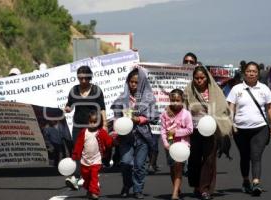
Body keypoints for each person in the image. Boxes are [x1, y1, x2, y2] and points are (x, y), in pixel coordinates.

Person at [226, 61, 271, 197]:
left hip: (260, 128)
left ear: (258, 73)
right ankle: (245, 181)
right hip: (240, 129)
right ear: (244, 72)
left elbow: (270, 108)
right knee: (244, 156)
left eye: (254, 71)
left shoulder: (264, 88)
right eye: (249, 71)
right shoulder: (237, 89)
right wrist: (231, 124)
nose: (251, 73)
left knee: (256, 155)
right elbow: (231, 107)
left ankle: (256, 183)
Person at [184, 66, 233, 200]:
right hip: (194, 130)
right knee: (194, 159)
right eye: (197, 78)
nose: (199, 81)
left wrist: (218, 120)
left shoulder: (216, 91)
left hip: (212, 130)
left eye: (202, 78)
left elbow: (223, 108)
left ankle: (205, 189)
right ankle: (196, 186)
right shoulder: (188, 91)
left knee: (209, 160)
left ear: (207, 78)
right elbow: (183, 109)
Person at [110, 68, 159, 199]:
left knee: (140, 165)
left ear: (142, 83)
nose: (133, 84)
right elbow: (116, 118)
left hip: (142, 136)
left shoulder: (149, 98)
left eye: (136, 82)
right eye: (131, 81)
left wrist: (139, 119)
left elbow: (154, 117)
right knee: (126, 163)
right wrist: (115, 133)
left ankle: (138, 189)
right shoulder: (121, 99)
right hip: (125, 137)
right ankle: (127, 184)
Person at [64, 65, 107, 190]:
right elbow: (69, 105)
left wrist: (104, 125)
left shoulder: (96, 90)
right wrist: (67, 108)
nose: (83, 81)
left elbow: (102, 108)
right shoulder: (74, 90)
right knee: (77, 151)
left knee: (90, 153)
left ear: (89, 78)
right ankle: (76, 177)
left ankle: (91, 178)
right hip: (78, 126)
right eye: (80, 78)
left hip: (93, 127)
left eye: (85, 78)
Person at [71, 110, 114, 200]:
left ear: (99, 122)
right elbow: (79, 145)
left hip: (96, 160)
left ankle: (94, 192)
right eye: (90, 122)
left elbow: (108, 142)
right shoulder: (84, 132)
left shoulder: (101, 132)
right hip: (85, 160)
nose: (92, 124)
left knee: (94, 177)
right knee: (86, 177)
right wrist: (75, 154)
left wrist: (114, 141)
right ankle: (89, 190)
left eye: (95, 122)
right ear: (87, 121)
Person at [160, 89, 193, 200]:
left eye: (177, 100)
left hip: (182, 146)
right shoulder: (165, 114)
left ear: (182, 100)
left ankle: (174, 194)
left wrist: (176, 132)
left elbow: (190, 130)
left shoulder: (186, 114)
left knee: (178, 168)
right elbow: (163, 130)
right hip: (170, 145)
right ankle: (176, 187)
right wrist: (165, 143)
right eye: (172, 100)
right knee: (172, 168)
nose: (175, 102)